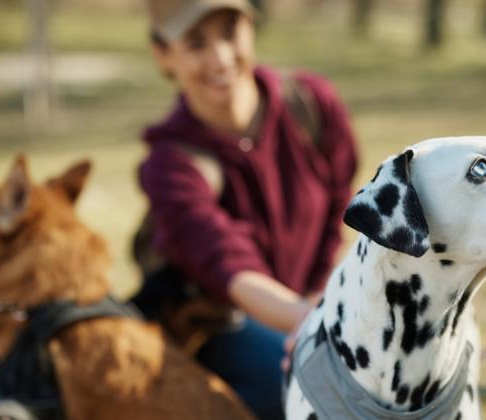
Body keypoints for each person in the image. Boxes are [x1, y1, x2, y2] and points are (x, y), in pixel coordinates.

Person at [135, 0, 359, 418]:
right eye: (196, 43)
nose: (220, 57)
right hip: (222, 326)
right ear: (163, 55)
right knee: (305, 385)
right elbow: (227, 264)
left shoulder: (312, 104)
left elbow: (338, 209)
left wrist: (320, 296)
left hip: (314, 302)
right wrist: (308, 320)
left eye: (229, 32)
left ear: (252, 28)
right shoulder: (170, 162)